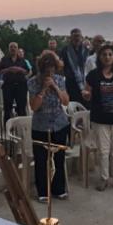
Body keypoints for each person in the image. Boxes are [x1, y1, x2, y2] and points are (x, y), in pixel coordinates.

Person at [82, 45, 113, 191]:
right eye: (104, 54)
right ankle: (103, 178)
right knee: (103, 150)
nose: (107, 57)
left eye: (110, 54)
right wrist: (86, 94)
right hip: (100, 118)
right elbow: (87, 91)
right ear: (100, 57)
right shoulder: (93, 75)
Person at [27, 52, 70, 202]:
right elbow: (34, 106)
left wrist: (56, 87)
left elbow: (65, 102)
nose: (50, 71)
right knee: (41, 160)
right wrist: (44, 89)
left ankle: (58, 189)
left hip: (59, 124)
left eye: (52, 68)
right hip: (41, 125)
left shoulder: (60, 79)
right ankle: (43, 192)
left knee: (59, 158)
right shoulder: (32, 82)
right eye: (46, 68)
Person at [0, 42, 30, 121]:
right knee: (7, 108)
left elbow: (27, 71)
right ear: (9, 49)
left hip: (21, 86)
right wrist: (9, 69)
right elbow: (0, 71)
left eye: (15, 47)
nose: (13, 48)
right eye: (11, 47)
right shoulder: (4, 59)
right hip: (8, 86)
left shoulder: (22, 60)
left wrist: (19, 69)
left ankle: (21, 128)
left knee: (21, 108)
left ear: (17, 49)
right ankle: (8, 128)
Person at [60, 28, 89, 104]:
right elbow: (61, 65)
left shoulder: (86, 50)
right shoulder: (65, 50)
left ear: (81, 37)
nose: (77, 38)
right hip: (71, 82)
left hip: (85, 81)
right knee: (73, 104)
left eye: (78, 36)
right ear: (71, 37)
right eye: (75, 36)